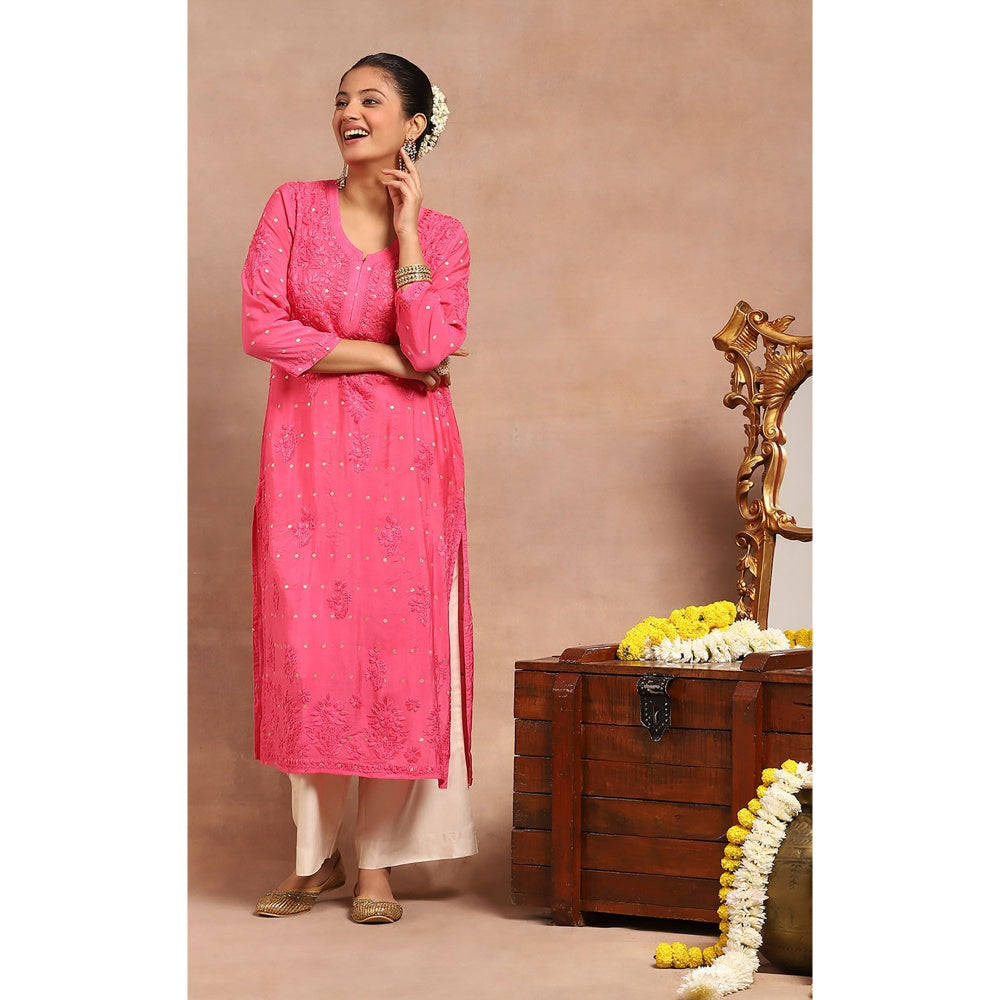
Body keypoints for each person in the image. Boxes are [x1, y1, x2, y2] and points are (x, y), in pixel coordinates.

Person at [241, 52, 476, 925]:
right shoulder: (292, 208)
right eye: (343, 99)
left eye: (372, 101)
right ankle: (314, 859)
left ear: (414, 124)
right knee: (311, 657)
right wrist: (384, 355)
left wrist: (408, 236)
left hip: (404, 468)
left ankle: (375, 863)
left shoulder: (444, 236)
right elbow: (262, 328)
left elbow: (433, 346)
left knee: (397, 655)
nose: (350, 112)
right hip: (303, 464)